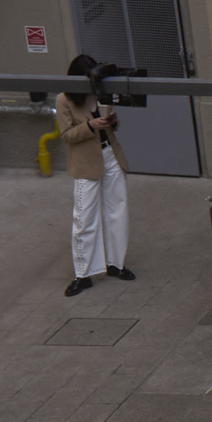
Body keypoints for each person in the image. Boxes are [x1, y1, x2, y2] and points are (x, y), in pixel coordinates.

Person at [56, 54, 132, 297]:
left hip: (110, 155)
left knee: (117, 211)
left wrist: (111, 122)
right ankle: (84, 274)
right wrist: (91, 126)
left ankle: (115, 264)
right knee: (84, 218)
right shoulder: (64, 99)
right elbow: (66, 135)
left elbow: (111, 126)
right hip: (86, 162)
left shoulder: (102, 92)